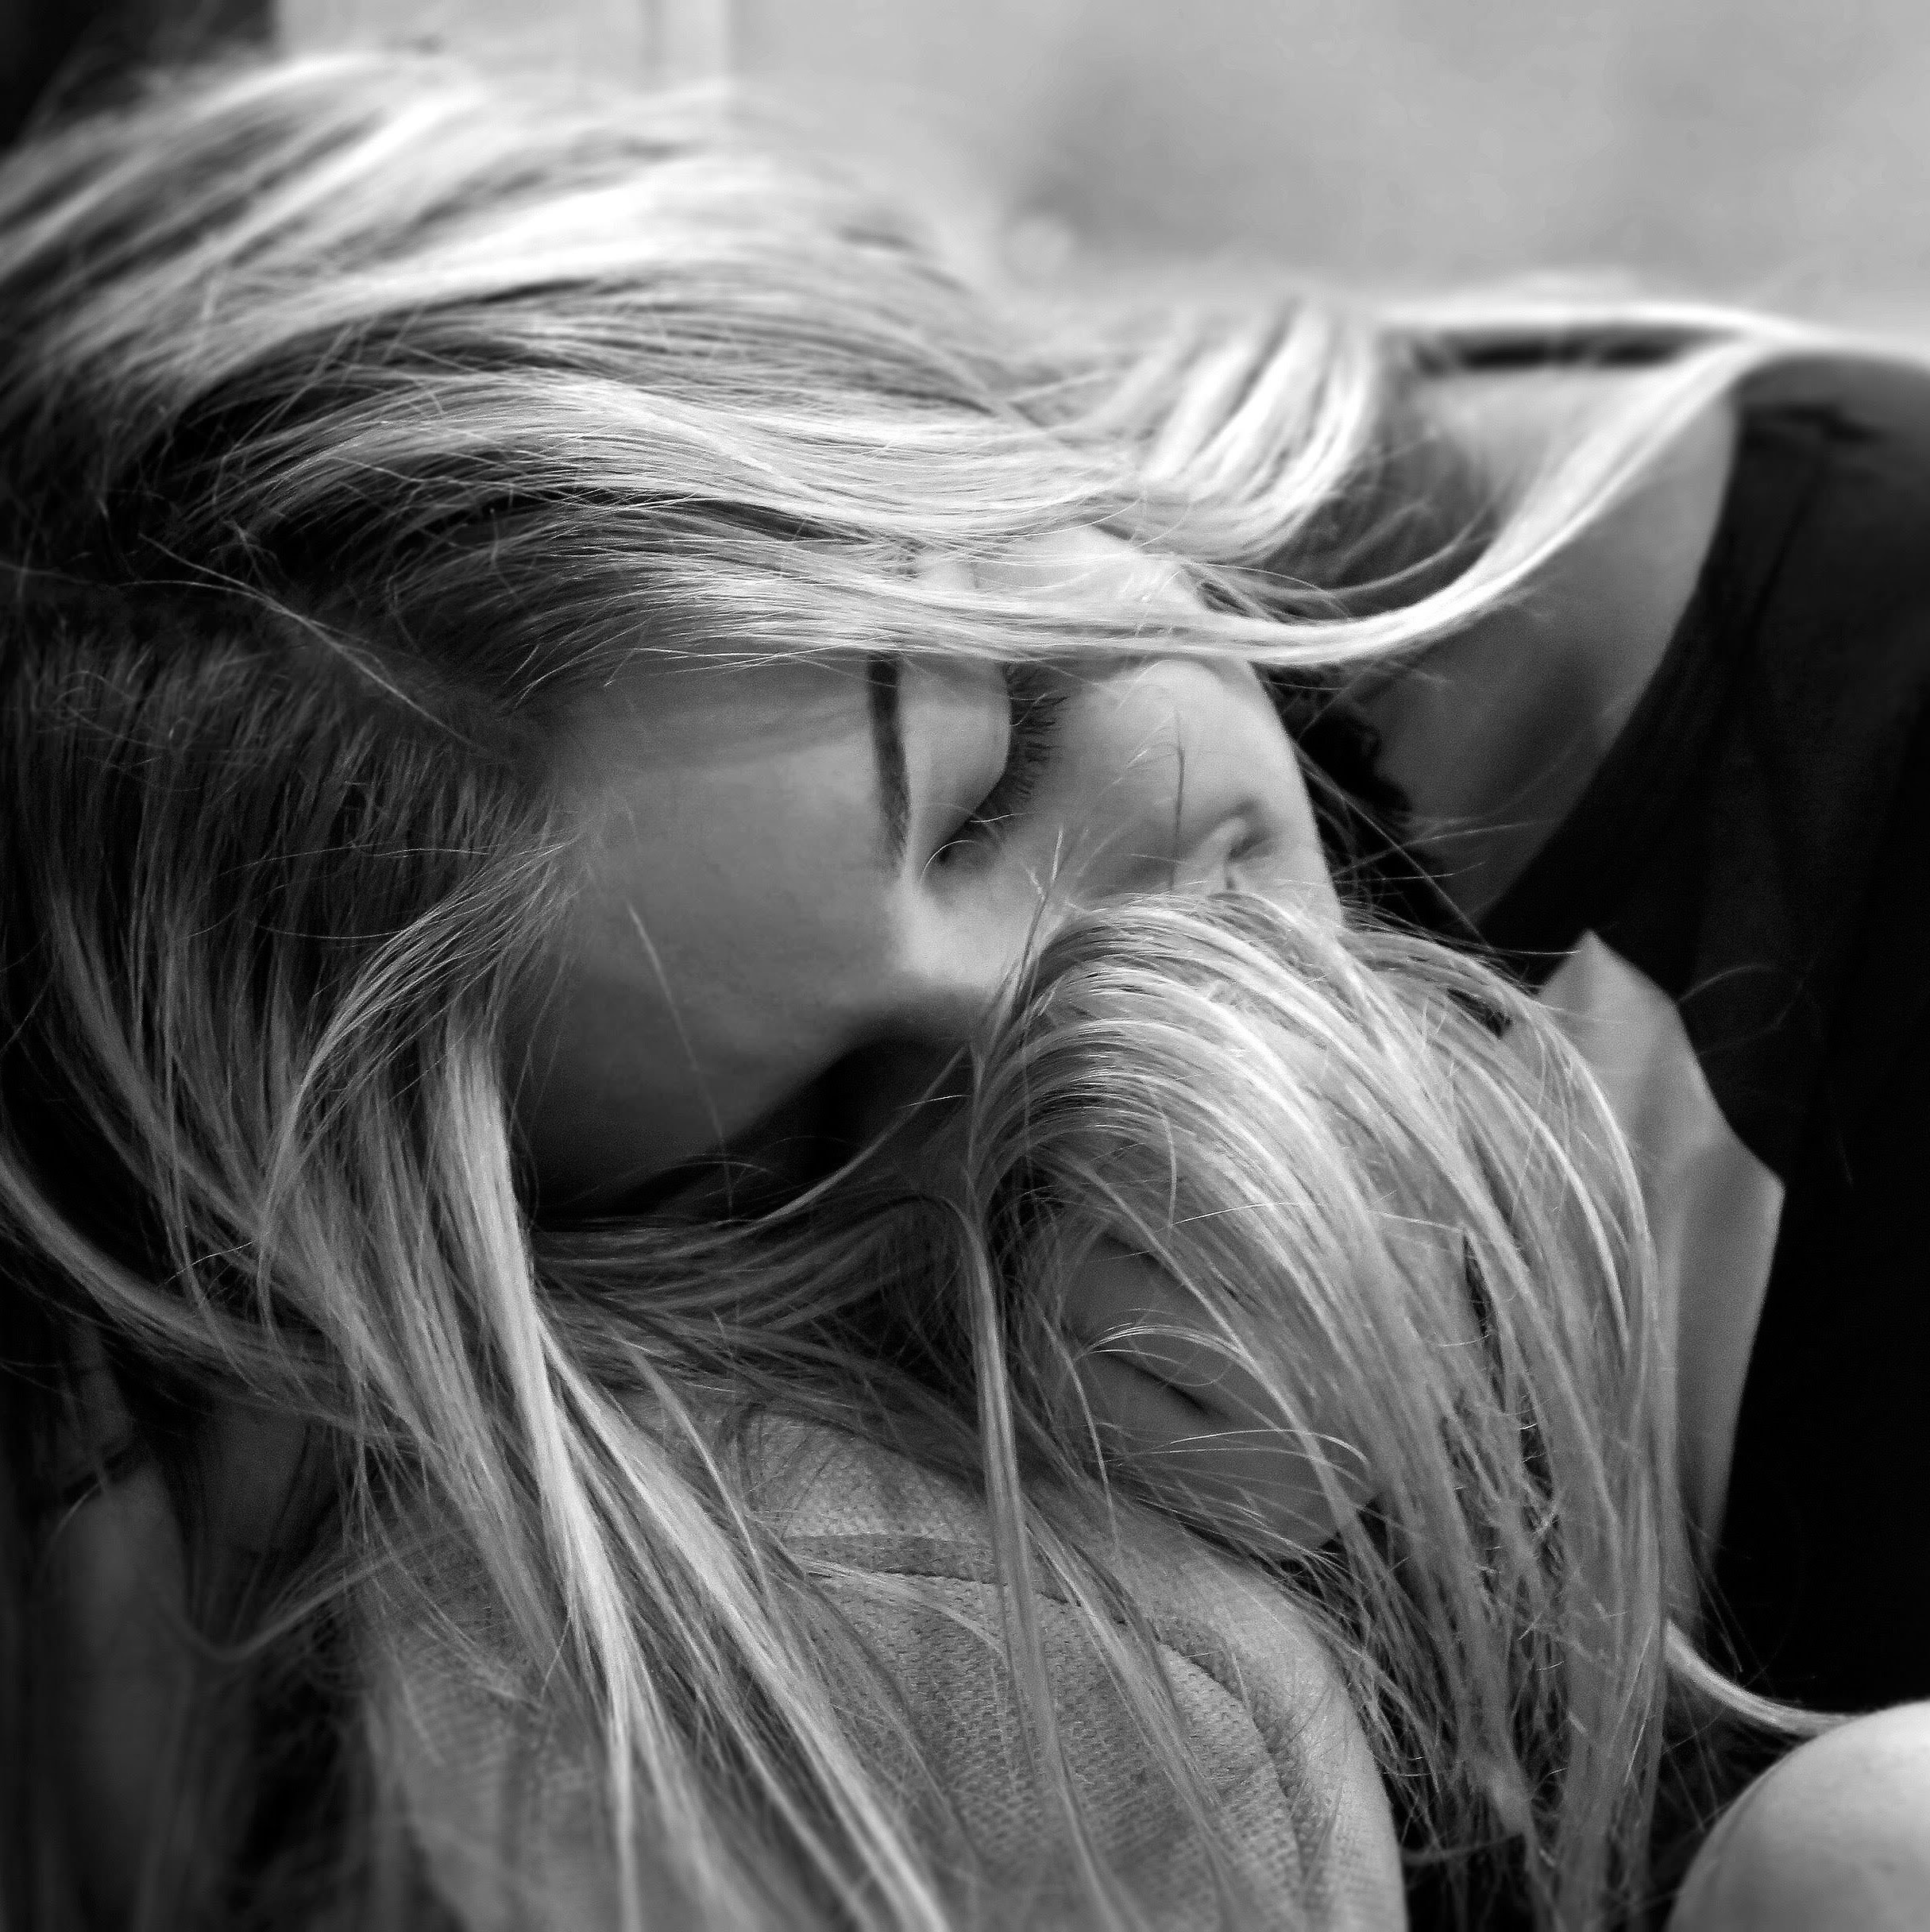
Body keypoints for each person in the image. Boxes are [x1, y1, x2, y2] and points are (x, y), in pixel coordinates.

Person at [0, 47, 1924, 1932]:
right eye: (799, 1138)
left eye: (999, 773)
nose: (1090, 1035)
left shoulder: (1869, 695)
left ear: (960, 407)